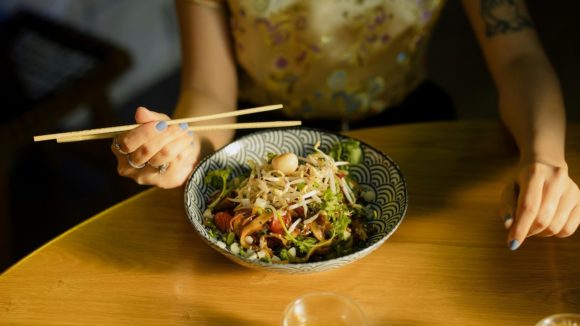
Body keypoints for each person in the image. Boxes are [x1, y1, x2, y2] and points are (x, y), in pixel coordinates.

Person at [111, 0, 580, 250]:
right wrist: (186, 146)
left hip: (408, 121)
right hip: (264, 138)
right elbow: (210, 94)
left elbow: (518, 57)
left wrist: (544, 159)